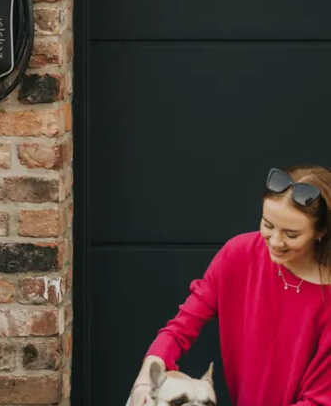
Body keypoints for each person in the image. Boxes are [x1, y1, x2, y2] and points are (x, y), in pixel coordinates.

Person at [128, 165, 331, 406]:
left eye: (291, 234)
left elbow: (319, 400)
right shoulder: (239, 254)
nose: (275, 241)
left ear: (320, 232)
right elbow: (182, 326)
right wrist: (150, 370)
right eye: (267, 224)